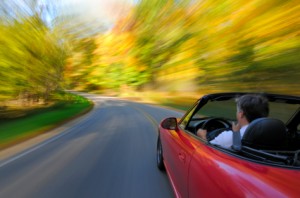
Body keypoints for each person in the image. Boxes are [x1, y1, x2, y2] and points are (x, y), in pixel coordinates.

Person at [197, 94, 269, 148]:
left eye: (237, 111)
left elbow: (207, 150)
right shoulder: (273, 135)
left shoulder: (227, 137)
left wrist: (202, 137)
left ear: (241, 114)